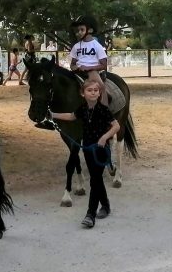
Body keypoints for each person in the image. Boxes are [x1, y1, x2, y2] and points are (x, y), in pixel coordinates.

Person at [49, 80, 120, 229]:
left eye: (96, 90)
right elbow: (71, 116)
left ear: (99, 93)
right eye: (90, 90)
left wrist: (104, 137)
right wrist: (52, 114)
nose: (93, 92)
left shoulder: (103, 109)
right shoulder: (82, 108)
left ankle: (90, 214)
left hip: (100, 149)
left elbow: (116, 126)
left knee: (94, 180)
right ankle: (106, 205)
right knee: (97, 179)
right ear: (83, 93)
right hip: (87, 148)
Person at [69, 16, 108, 106]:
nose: (78, 33)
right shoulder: (76, 47)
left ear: (90, 30)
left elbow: (104, 65)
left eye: (81, 30)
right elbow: (72, 64)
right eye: (77, 31)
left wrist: (88, 68)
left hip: (92, 72)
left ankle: (105, 111)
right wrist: (75, 67)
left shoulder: (97, 46)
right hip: (78, 72)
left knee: (101, 87)